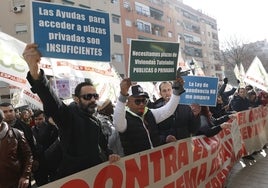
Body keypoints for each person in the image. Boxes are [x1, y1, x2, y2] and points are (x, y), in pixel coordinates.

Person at [22, 43, 120, 179]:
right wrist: (36, 73)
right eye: (87, 96)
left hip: (96, 175)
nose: (92, 99)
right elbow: (52, 100)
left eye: (95, 96)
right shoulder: (68, 116)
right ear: (76, 99)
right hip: (76, 178)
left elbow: (101, 143)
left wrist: (110, 154)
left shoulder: (95, 118)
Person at [113, 74, 185, 156]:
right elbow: (118, 124)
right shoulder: (125, 119)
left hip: (155, 161)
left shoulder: (149, 113)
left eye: (144, 101)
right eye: (137, 101)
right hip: (138, 165)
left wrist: (176, 91)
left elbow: (169, 110)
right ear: (127, 102)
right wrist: (122, 94)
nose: (141, 104)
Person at [0, 109, 33, 188]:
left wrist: (25, 176)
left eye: (11, 111)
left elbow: (28, 155)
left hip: (14, 182)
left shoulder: (16, 133)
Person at [0, 102, 37, 167]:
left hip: (21, 164)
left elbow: (31, 145)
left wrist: (34, 160)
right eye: (5, 112)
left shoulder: (24, 127)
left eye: (11, 111)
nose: (9, 114)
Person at [31, 110, 59, 186]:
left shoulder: (52, 128)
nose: (38, 121)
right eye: (36, 119)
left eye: (40, 119)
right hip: (39, 163)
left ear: (45, 118)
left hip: (52, 160)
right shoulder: (32, 129)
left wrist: (53, 125)